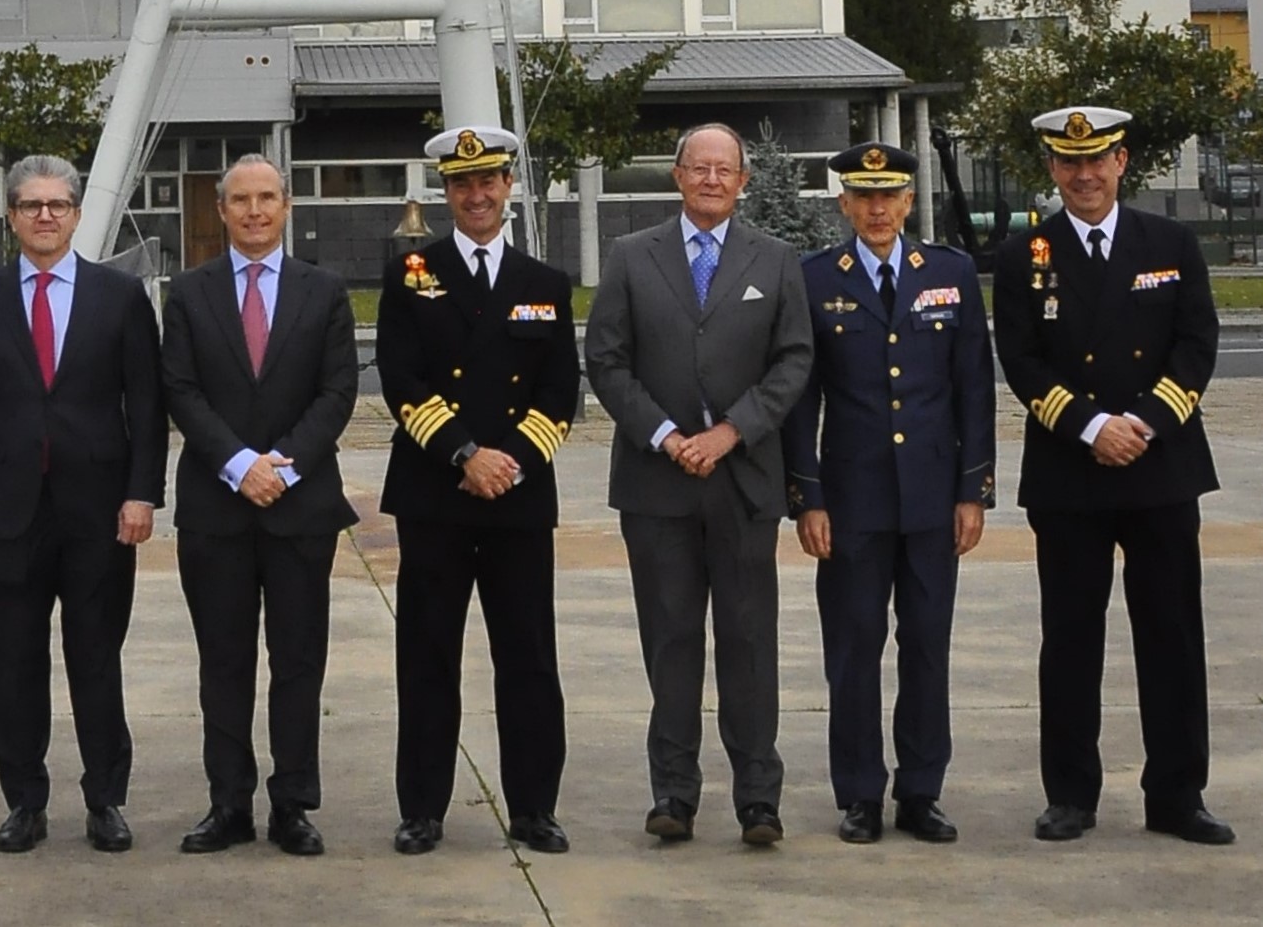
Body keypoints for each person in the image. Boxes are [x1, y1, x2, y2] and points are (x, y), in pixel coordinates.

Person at [989, 102, 1231, 847]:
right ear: (1054, 168)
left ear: (1123, 162)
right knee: (1070, 637)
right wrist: (1092, 426)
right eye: (1069, 161)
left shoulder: (1171, 240)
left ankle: (1178, 794)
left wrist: (1145, 424)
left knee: (1172, 635)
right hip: (1071, 471)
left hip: (1160, 466)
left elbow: (1196, 344)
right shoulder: (1026, 250)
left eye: (1098, 160)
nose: (1084, 174)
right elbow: (1022, 360)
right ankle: (1070, 792)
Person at [584, 120, 813, 847]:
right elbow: (607, 359)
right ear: (677, 175)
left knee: (748, 642)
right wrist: (667, 434)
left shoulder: (776, 260)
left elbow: (794, 361)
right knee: (672, 640)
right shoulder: (630, 255)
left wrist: (731, 430)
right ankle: (674, 794)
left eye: (726, 169)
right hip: (659, 484)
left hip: (742, 481)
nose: (713, 179)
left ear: (743, 181)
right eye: (699, 167)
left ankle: (758, 799)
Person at [0, 152, 166, 854]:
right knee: (13, 660)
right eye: (31, 205)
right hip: (7, 510)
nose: (44, 215)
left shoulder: (117, 296)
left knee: (96, 656)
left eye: (57, 204)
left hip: (100, 511)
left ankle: (105, 799)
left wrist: (142, 492)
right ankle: (23, 801)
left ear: (74, 213)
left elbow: (148, 405)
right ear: (11, 217)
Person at [377, 125, 580, 858]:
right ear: (447, 192)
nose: (477, 194)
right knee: (428, 653)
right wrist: (465, 453)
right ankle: (423, 807)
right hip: (436, 493)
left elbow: (561, 395)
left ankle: (533, 808)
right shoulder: (410, 274)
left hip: (518, 501)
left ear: (509, 187)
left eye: (489, 180)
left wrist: (510, 461)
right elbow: (402, 381)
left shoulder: (544, 284)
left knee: (527, 656)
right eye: (462, 183)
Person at [786, 139, 994, 844]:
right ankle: (860, 793)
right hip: (851, 500)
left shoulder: (950, 272)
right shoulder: (814, 278)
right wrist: (807, 497)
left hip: (935, 498)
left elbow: (974, 389)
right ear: (844, 201)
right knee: (853, 646)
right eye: (863, 195)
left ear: (910, 199)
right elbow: (799, 399)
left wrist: (975, 490)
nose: (877, 207)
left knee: (928, 644)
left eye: (890, 194)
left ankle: (921, 790)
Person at [160, 151, 356, 858]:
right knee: (224, 661)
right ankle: (228, 802)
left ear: (287, 204)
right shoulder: (187, 292)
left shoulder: (324, 289)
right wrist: (241, 465)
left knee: (299, 660)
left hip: (301, 509)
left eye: (266, 196)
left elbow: (338, 391)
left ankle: (294, 803)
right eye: (239, 199)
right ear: (220, 210)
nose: (253, 210)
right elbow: (179, 388)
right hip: (216, 507)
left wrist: (284, 466)